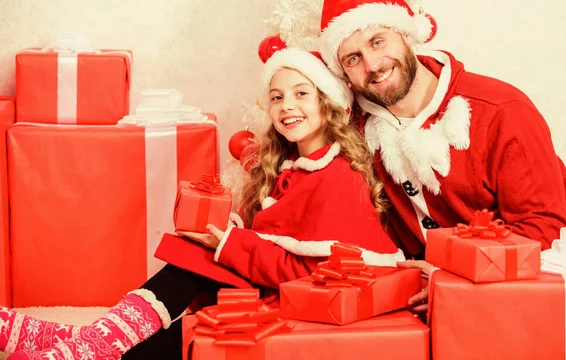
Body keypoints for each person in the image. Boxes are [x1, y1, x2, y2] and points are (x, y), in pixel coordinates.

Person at [1, 47, 405, 360]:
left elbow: (307, 274)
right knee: (194, 252)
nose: (287, 107)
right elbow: (278, 241)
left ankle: (86, 344)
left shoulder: (338, 178)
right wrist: (233, 237)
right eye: (277, 97)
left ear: (327, 104)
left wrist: (231, 244)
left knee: (190, 305)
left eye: (301, 94)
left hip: (297, 305)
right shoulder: (292, 169)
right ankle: (83, 341)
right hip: (275, 288)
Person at [317, 0, 566, 312]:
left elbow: (543, 230)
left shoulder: (499, 109)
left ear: (406, 35)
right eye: (352, 59)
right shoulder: (358, 132)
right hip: (462, 294)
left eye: (378, 42)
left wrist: (449, 276)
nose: (372, 65)